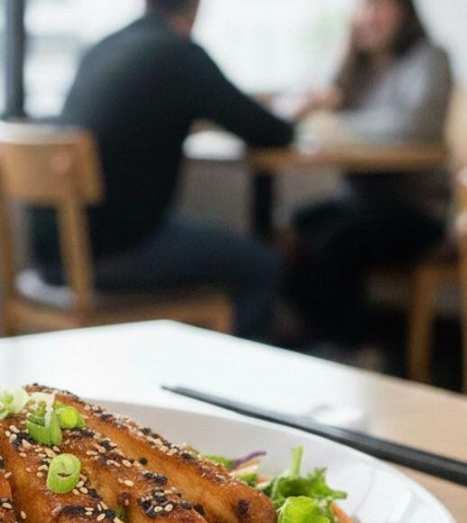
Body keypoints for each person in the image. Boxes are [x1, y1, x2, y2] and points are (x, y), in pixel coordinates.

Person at [28, 0, 295, 341]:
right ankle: (234, 386)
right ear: (195, 8)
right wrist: (292, 109)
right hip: (112, 252)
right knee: (263, 266)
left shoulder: (102, 47)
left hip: (55, 250)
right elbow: (270, 132)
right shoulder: (180, 55)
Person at [282, 0, 453, 353]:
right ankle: (323, 339)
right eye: (361, 8)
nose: (367, 17)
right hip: (361, 202)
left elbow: (416, 126)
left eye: (378, 7)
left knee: (337, 242)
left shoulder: (429, 58)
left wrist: (333, 125)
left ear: (403, 12)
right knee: (294, 227)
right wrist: (340, 61)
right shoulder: (358, 64)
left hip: (416, 207)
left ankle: (352, 350)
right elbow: (311, 105)